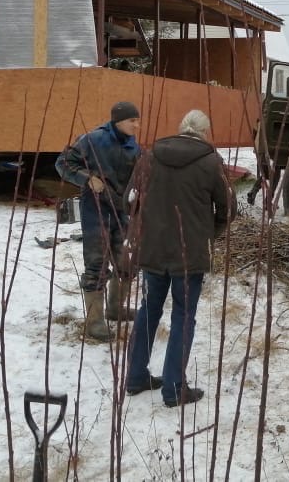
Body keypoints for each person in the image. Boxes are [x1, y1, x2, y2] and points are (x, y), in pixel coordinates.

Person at [125, 109, 231, 405]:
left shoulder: (148, 157)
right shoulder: (212, 163)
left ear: (180, 127)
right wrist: (209, 235)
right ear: (204, 133)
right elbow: (228, 209)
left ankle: (135, 376)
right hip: (190, 253)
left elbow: (128, 201)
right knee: (184, 315)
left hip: (153, 249)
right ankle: (173, 388)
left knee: (149, 308)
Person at [55, 101, 142, 342]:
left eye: (138, 120)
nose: (137, 125)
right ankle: (94, 321)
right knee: (97, 264)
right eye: (132, 120)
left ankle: (115, 308)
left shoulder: (134, 146)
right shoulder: (92, 139)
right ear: (118, 121)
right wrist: (86, 178)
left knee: (128, 261)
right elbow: (62, 164)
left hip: (123, 210)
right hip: (96, 210)